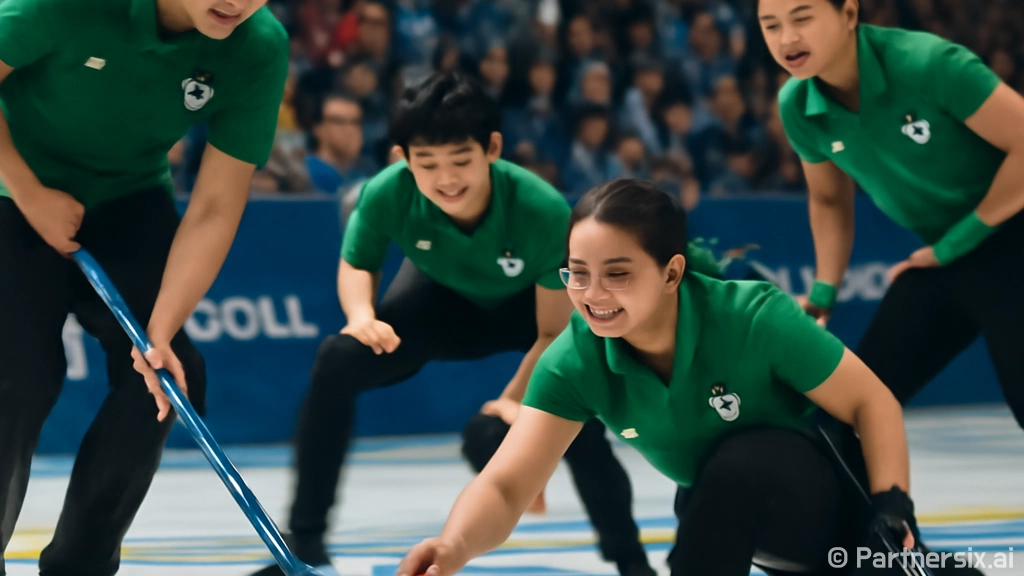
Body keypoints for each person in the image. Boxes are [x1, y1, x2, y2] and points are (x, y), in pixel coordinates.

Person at [395, 178, 957, 576]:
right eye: (577, 273)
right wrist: (453, 547)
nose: (592, 295)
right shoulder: (574, 359)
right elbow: (506, 485)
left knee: (736, 468)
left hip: (845, 513)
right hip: (740, 520)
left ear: (671, 273)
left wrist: (892, 508)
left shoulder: (752, 317)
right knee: (706, 492)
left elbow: (872, 402)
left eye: (617, 274)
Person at [251, 72, 657, 576]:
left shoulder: (542, 210)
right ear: (402, 158)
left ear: (492, 149)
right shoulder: (387, 192)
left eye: (461, 161)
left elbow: (554, 334)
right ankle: (305, 544)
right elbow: (358, 263)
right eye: (427, 164)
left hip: (528, 313)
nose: (446, 179)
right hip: (437, 302)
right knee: (336, 360)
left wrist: (514, 404)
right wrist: (361, 317)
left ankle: (632, 563)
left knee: (579, 419)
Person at [0, 0, 289, 574]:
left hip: (129, 196)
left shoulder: (258, 46)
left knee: (167, 376)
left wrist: (160, 330)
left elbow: (214, 206)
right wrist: (29, 193)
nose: (235, 2)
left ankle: (80, 566)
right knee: (20, 376)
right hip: (11, 187)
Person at [762, 0, 1024, 481]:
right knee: (849, 408)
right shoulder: (797, 104)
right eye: (770, 25)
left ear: (848, 14)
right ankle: (884, 524)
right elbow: (829, 201)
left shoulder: (930, 64)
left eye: (802, 18)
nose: (787, 39)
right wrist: (823, 294)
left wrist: (950, 247)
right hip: (948, 254)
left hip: (1010, 236)